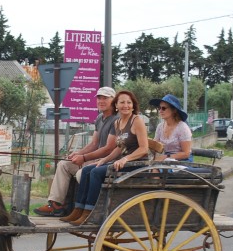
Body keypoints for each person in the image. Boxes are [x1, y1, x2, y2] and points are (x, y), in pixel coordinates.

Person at [62, 90, 149, 226]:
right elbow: (119, 148)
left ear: (133, 105)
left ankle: (90, 213)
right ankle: (78, 209)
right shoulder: (118, 122)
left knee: (96, 173)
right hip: (121, 162)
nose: (125, 105)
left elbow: (144, 148)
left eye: (129, 102)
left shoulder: (137, 121)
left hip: (136, 164)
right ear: (116, 105)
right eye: (122, 102)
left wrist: (126, 159)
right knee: (87, 170)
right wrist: (105, 159)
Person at [33, 87, 117, 216]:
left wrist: (83, 158)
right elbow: (94, 143)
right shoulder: (100, 118)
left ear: (113, 100)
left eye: (105, 98)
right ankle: (56, 204)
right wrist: (78, 153)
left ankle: (83, 207)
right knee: (64, 164)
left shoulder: (116, 120)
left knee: (80, 173)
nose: (101, 101)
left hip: (106, 161)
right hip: (94, 159)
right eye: (99, 98)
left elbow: (109, 148)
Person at [149, 94, 192, 162]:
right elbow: (155, 146)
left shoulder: (182, 127)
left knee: (157, 169)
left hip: (182, 162)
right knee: (151, 168)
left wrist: (167, 157)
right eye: (159, 108)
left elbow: (186, 153)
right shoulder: (160, 127)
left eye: (163, 108)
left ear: (174, 110)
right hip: (166, 160)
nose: (160, 111)